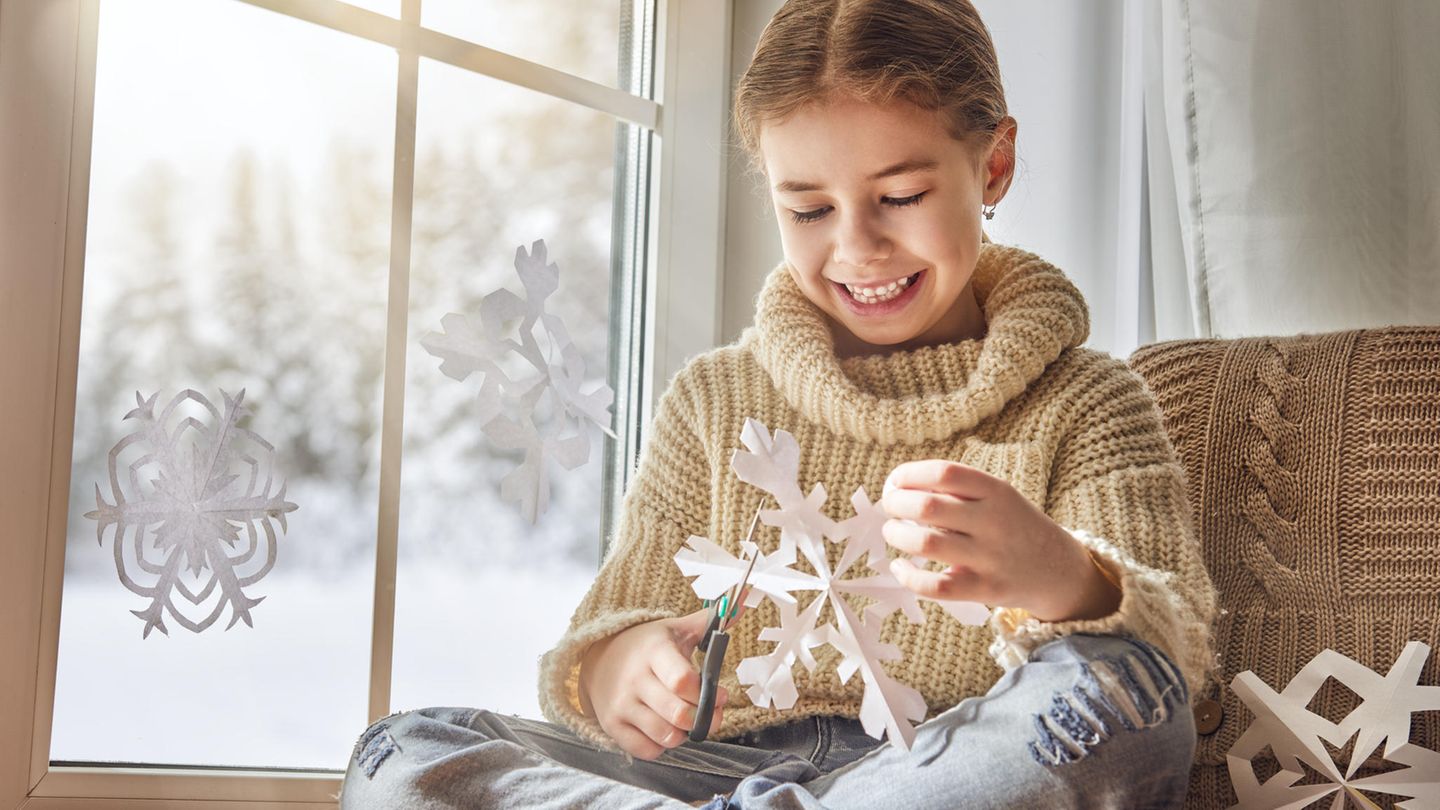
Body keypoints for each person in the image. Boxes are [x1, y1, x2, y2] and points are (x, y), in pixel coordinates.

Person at [340, 0, 1217, 807]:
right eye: (807, 209)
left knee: (1127, 702)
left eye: (901, 197)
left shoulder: (1088, 401)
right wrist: (618, 673)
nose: (857, 246)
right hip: (713, 769)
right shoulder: (714, 402)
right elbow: (612, 628)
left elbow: (1169, 658)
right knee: (404, 752)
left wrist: (1064, 574)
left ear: (994, 164)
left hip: (945, 771)